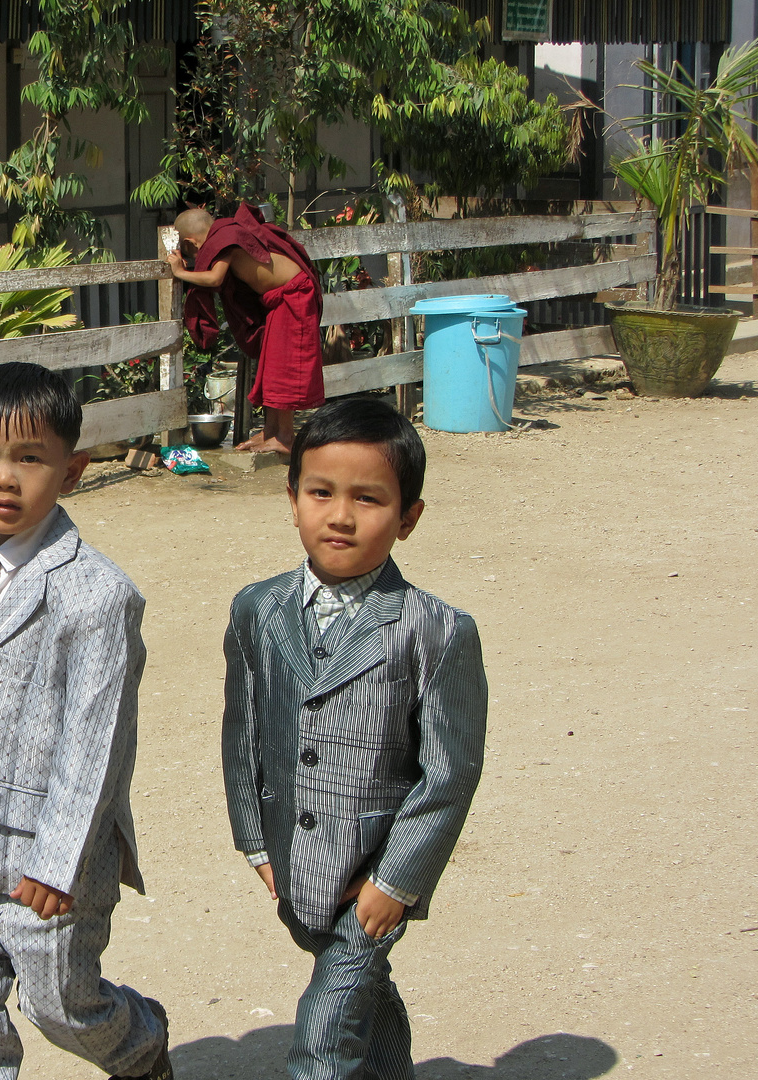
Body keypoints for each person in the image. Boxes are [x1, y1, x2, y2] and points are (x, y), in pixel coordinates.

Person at [220, 397, 487, 1080]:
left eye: (367, 499)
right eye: (320, 492)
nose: (339, 516)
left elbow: (448, 771)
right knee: (359, 1002)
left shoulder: (435, 630)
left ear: (408, 518)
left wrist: (395, 881)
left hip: (372, 868)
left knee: (323, 1039)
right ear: (292, 498)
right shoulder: (257, 608)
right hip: (294, 862)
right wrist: (255, 839)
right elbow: (243, 731)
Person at [0, 362, 173, 1080]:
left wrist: (56, 860)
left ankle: (141, 1045)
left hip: (49, 858)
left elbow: (95, 743)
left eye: (30, 458)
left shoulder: (97, 596)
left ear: (71, 471)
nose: (5, 478)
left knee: (63, 1005)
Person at [168, 203, 325, 455]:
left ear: (190, 243)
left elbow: (214, 278)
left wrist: (180, 271)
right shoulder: (225, 234)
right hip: (279, 299)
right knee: (272, 366)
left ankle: (285, 437)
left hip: (295, 295)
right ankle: (272, 431)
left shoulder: (224, 241)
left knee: (284, 366)